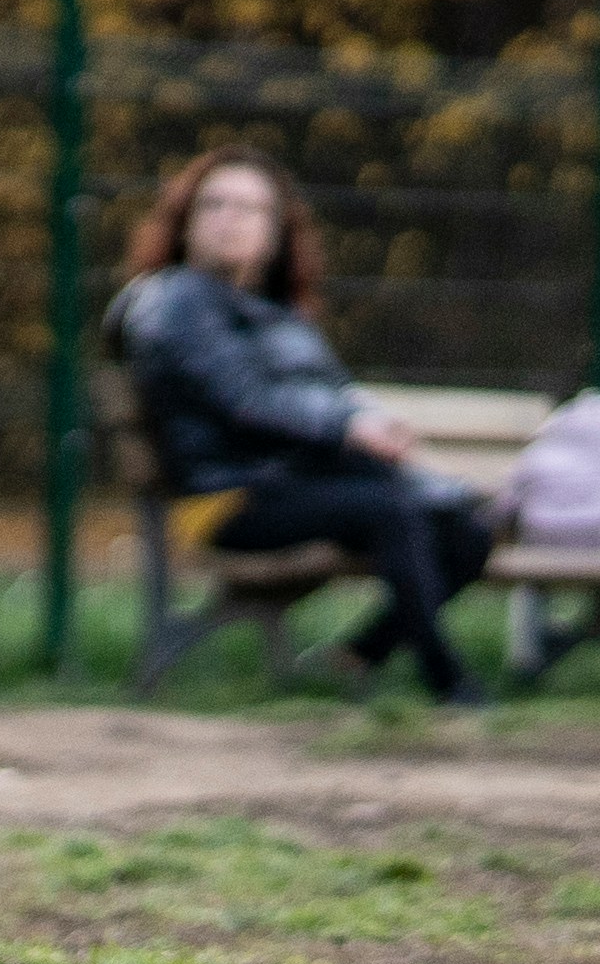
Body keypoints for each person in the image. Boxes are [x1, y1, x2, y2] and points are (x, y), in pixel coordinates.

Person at [109, 147, 492, 703]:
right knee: (392, 510)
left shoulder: (278, 312)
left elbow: (327, 390)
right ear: (186, 223)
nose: (230, 218)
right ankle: (449, 682)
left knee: (465, 532)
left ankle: (356, 658)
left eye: (249, 208)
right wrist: (346, 426)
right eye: (214, 204)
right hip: (226, 499)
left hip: (294, 485)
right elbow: (241, 398)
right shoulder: (172, 302)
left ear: (275, 231)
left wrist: (367, 419)